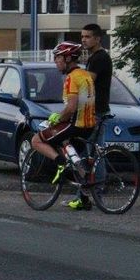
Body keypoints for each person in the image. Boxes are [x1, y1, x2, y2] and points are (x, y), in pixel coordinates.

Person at [30, 42, 97, 204]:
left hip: (75, 125)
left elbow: (71, 107)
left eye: (57, 57)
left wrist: (57, 118)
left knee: (36, 140)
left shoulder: (71, 78)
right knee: (75, 158)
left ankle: (60, 163)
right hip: (89, 126)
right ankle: (83, 199)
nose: (55, 61)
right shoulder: (86, 75)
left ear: (67, 58)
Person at [60, 23, 114, 210]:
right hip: (91, 111)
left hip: (95, 112)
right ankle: (85, 197)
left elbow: (86, 82)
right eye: (82, 36)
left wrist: (72, 74)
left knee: (90, 154)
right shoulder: (93, 57)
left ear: (98, 38)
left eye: (88, 37)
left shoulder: (100, 58)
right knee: (87, 154)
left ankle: (93, 194)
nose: (83, 39)